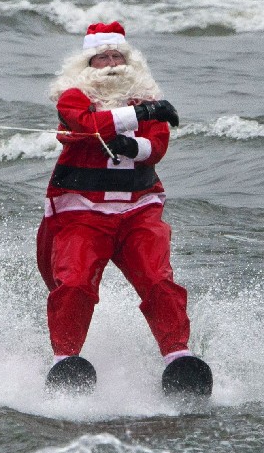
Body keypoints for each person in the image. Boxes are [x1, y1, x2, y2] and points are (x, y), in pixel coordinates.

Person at [37, 21, 211, 394]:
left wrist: (136, 147)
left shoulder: (146, 99)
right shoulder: (72, 96)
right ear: (88, 65)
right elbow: (87, 123)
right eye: (103, 58)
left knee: (159, 280)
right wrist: (141, 116)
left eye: (118, 56)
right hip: (81, 213)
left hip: (138, 210)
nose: (112, 63)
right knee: (76, 282)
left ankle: (178, 358)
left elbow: (158, 146)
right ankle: (65, 361)